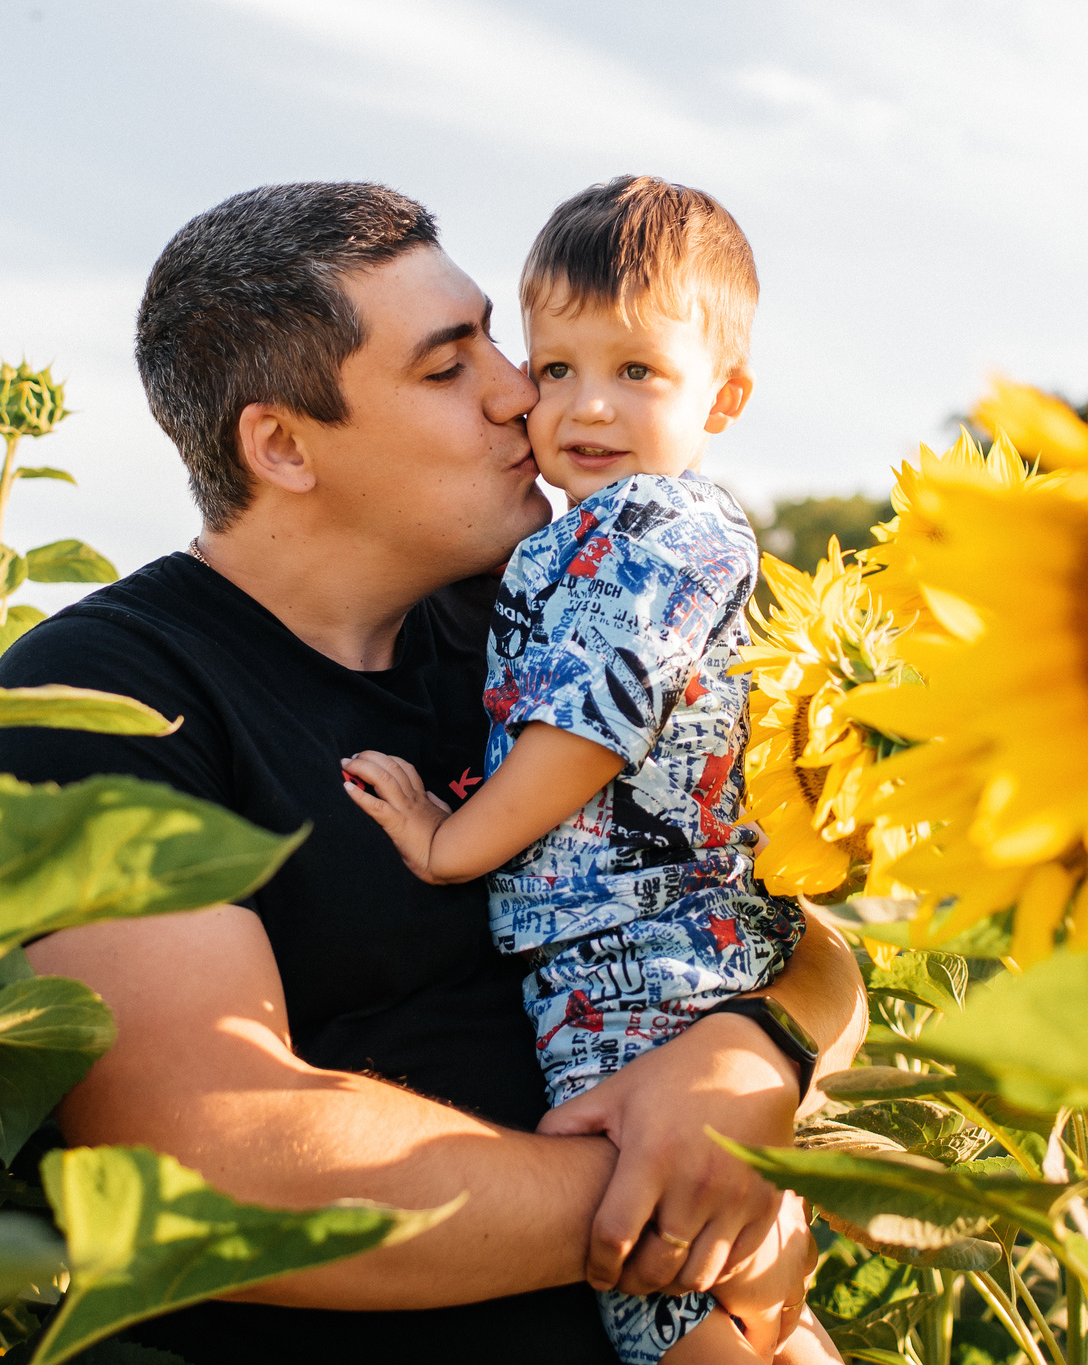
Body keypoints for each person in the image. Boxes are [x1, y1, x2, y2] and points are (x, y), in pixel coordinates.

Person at [0, 181, 863, 1364]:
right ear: (282, 445)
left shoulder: (542, 620)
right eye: (448, 369)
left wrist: (751, 1063)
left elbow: (797, 940)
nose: (519, 393)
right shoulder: (102, 692)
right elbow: (211, 1164)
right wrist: (673, 1204)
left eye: (496, 338)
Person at [344, 177, 813, 1365]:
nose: (583, 407)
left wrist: (454, 840)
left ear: (727, 393)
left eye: (637, 373)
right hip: (658, 955)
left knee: (665, 1279)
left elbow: (593, 718)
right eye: (556, 368)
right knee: (739, 1291)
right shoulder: (588, 534)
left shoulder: (654, 523)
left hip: (642, 964)